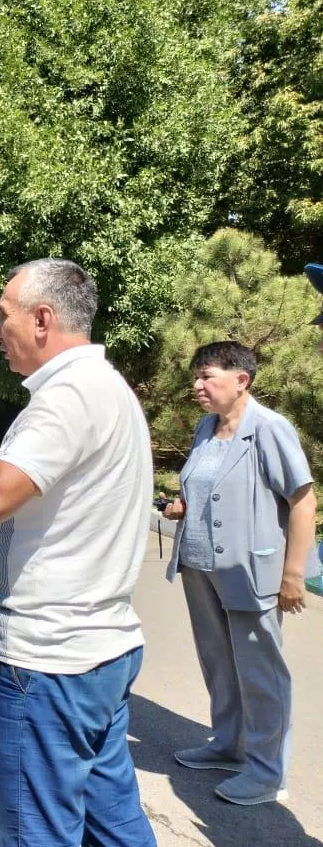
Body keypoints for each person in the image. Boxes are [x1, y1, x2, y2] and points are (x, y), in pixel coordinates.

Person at [0, 258, 155, 846]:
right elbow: (56, 511)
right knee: (113, 823)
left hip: (51, 663)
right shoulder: (99, 388)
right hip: (98, 648)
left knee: (33, 834)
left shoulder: (68, 396)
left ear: (42, 318)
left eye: (3, 317)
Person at [161, 341, 314, 806]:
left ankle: (268, 773)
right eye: (196, 377)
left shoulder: (269, 429)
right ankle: (229, 745)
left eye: (207, 376)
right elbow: (211, 484)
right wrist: (184, 505)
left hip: (252, 571)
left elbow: (303, 501)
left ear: (241, 380)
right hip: (200, 567)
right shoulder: (207, 428)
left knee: (260, 672)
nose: (197, 386)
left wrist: (293, 574)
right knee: (219, 663)